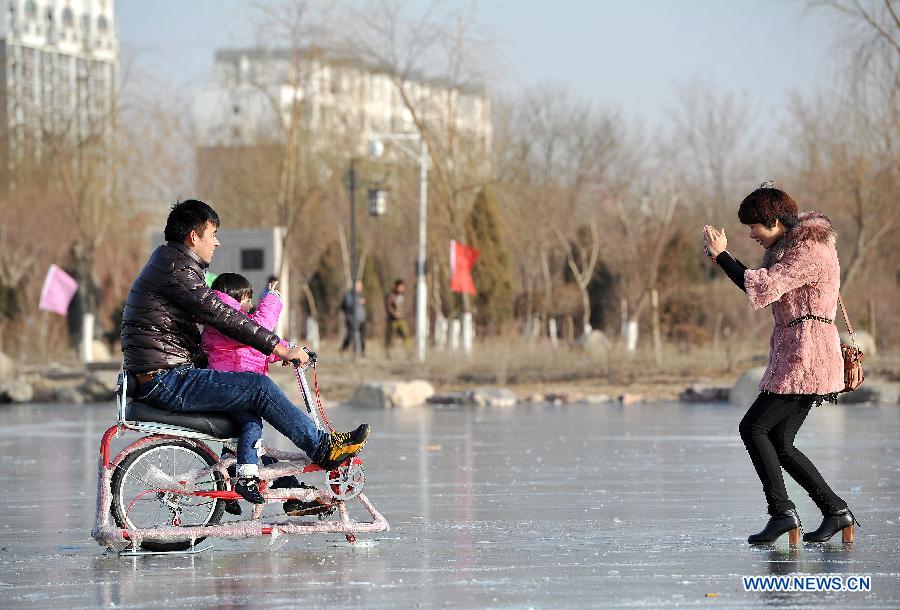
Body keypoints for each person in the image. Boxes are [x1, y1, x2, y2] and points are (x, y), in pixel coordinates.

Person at [121, 199, 370, 487]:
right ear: (193, 237)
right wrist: (279, 348)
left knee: (248, 403)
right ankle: (324, 448)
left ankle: (287, 490)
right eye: (213, 235)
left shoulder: (170, 265)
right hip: (166, 379)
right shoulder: (177, 270)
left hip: (164, 375)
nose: (217, 243)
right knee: (258, 387)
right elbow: (224, 316)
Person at [703, 182, 856, 544]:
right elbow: (762, 284)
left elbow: (764, 287)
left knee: (754, 428)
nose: (751, 234)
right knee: (781, 441)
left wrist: (722, 256)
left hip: (807, 357)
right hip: (798, 354)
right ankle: (835, 511)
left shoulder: (809, 251)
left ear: (773, 220)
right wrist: (722, 258)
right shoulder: (793, 249)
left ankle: (783, 514)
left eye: (754, 226)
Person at [200, 273, 330, 517]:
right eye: (248, 300)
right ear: (234, 297)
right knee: (251, 426)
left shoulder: (227, 322)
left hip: (235, 387)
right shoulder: (223, 316)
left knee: (251, 444)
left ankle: (281, 488)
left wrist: (289, 351)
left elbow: (258, 345)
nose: (251, 306)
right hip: (235, 388)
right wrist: (272, 299)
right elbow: (260, 329)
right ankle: (246, 478)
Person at [384, 279, 411, 354]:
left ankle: (409, 352)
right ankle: (387, 352)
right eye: (401, 286)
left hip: (401, 319)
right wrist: (394, 314)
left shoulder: (403, 295)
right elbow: (388, 306)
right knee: (390, 336)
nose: (402, 288)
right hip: (392, 320)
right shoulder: (390, 295)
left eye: (403, 287)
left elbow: (404, 306)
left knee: (406, 334)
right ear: (396, 286)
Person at [339, 279, 366, 354]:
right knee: (352, 336)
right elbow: (347, 305)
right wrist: (357, 302)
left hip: (361, 319)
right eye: (358, 286)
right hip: (351, 319)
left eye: (361, 286)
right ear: (355, 286)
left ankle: (361, 352)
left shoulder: (361, 294)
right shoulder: (349, 295)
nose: (360, 287)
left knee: (362, 336)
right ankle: (346, 350)